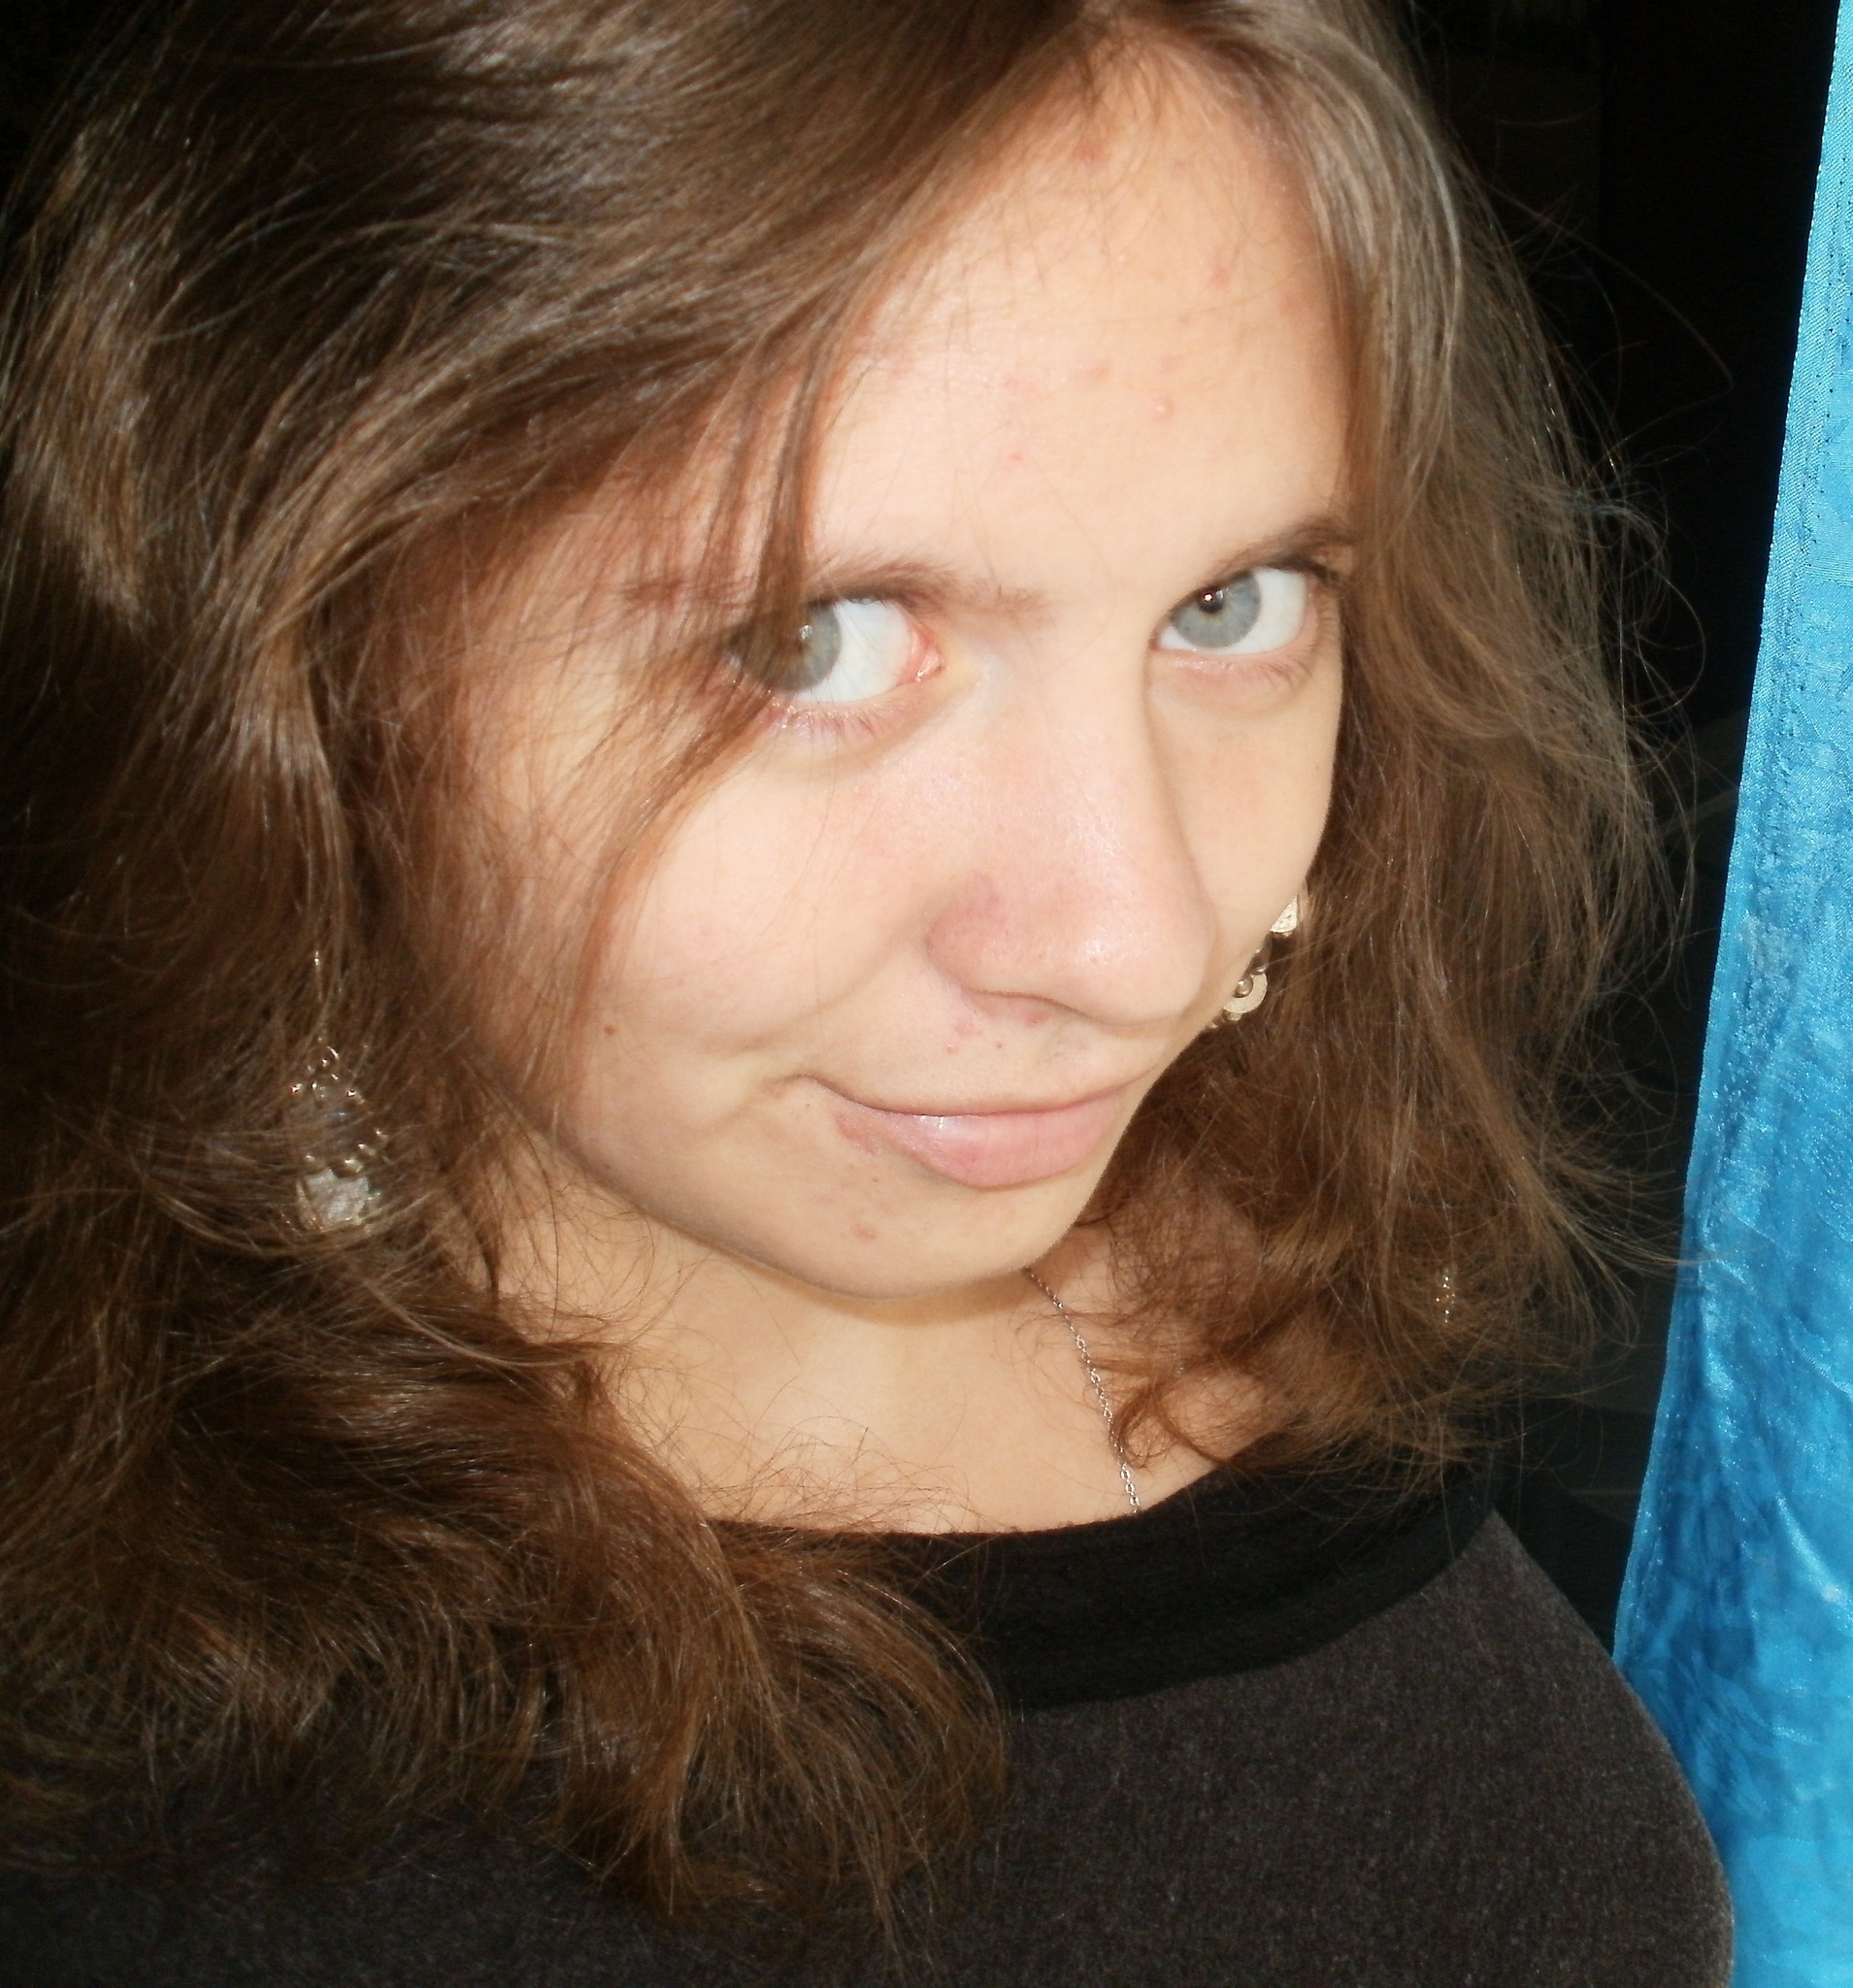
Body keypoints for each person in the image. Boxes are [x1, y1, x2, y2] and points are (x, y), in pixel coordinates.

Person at [0, 0, 1729, 1980]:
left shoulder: (1306, 1277)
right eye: (812, 641)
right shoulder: (128, 1811)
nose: (1138, 943)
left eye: (1228, 607)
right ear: (300, 648)